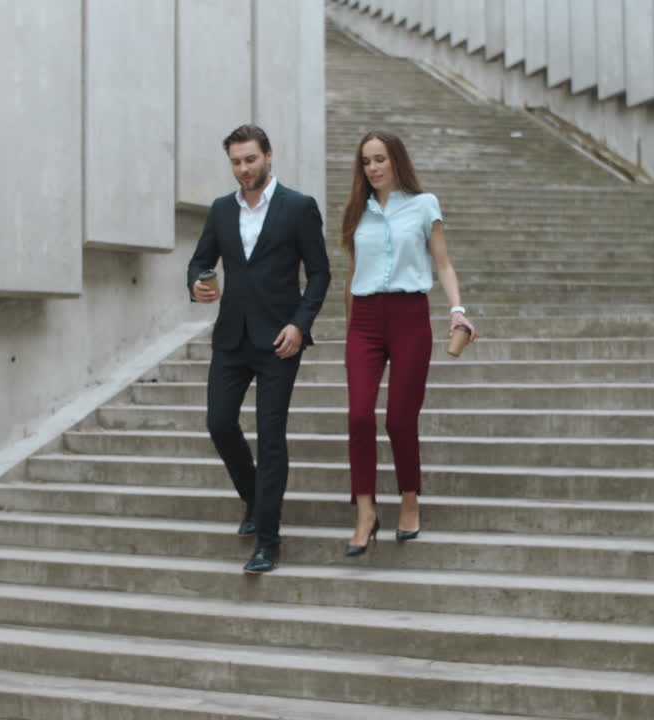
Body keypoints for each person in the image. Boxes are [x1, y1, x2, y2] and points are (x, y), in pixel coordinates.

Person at [187, 124, 331, 574]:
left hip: (279, 343)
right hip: (231, 337)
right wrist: (195, 282)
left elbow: (321, 273)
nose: (244, 168)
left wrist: (299, 325)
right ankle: (253, 496)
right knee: (219, 422)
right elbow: (200, 259)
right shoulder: (220, 210)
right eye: (236, 161)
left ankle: (267, 540)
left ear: (269, 155)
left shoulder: (299, 207)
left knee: (271, 438)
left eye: (251, 159)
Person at [338, 129, 475, 557]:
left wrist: (457, 310)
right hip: (363, 321)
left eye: (380, 159)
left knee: (399, 419)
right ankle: (365, 510)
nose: (373, 168)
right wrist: (350, 326)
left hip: (410, 317)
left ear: (396, 160)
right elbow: (354, 273)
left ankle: (410, 499)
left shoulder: (423, 205)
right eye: (366, 161)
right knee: (359, 415)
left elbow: (444, 264)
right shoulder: (356, 213)